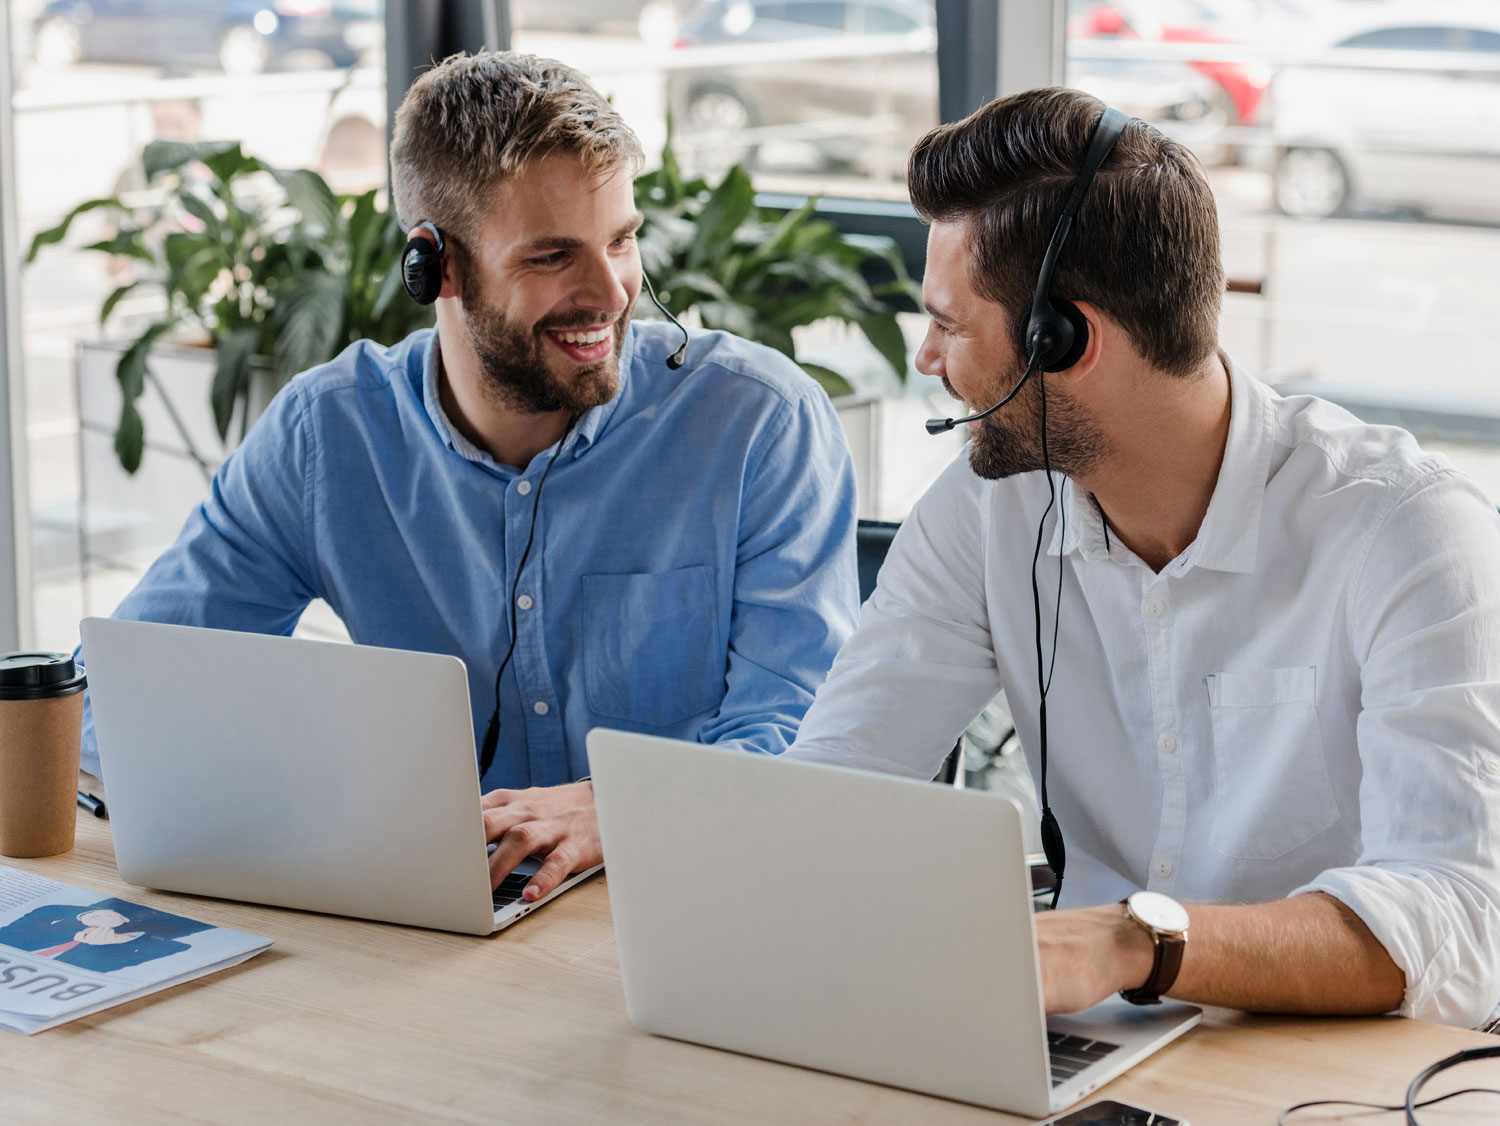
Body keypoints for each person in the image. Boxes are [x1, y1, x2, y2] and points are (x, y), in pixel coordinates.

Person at [787, 86, 1500, 1028]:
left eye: (951, 324)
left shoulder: (1408, 532)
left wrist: (1132, 941)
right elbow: (832, 795)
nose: (926, 358)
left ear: (1065, 339)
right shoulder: (986, 513)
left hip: (1325, 1074)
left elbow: (1458, 916)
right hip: (1089, 1047)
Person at [79, 53, 859, 905]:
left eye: (623, 240)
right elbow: (119, 696)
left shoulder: (757, 422)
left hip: (695, 900)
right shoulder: (330, 435)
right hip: (438, 924)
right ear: (434, 266)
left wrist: (622, 808)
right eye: (554, 256)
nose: (612, 292)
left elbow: (807, 740)